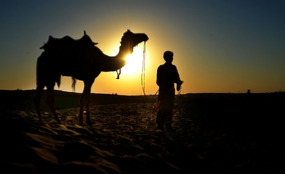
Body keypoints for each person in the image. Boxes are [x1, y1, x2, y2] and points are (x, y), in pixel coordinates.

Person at [155, 51, 183, 130]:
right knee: (163, 107)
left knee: (168, 107)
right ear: (165, 58)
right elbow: (158, 81)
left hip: (169, 91)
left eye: (172, 57)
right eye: (170, 57)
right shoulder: (161, 68)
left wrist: (178, 83)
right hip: (164, 91)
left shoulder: (172, 68)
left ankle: (167, 124)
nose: (171, 59)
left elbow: (176, 79)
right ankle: (161, 124)